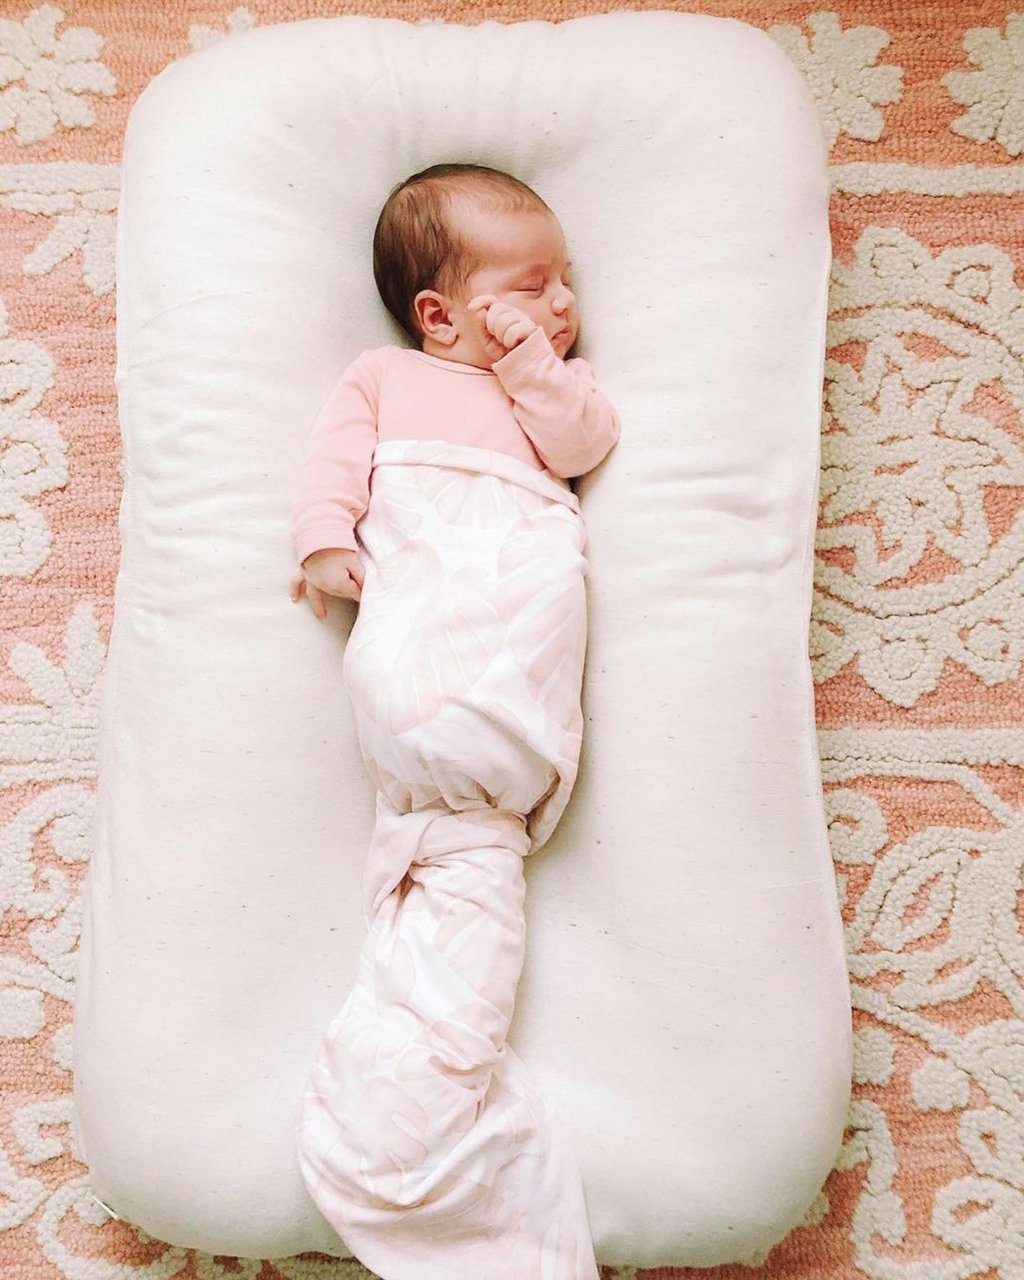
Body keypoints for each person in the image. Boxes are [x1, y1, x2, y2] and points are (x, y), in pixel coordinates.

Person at [289, 162, 619, 1280]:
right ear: (439, 313)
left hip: (509, 607)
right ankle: (423, 1122)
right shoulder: (382, 375)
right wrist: (326, 537)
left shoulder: (546, 390)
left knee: (523, 624)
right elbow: (332, 462)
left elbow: (582, 447)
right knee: (411, 673)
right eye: (535, 285)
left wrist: (533, 352)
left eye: (567, 280)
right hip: (425, 614)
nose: (565, 304)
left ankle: (424, 1093)